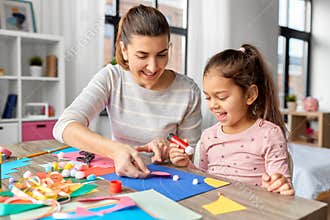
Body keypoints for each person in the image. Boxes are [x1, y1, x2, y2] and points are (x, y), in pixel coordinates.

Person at [53, 5, 202, 178]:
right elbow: (64, 126)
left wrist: (170, 152)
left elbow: (188, 156)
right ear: (124, 50)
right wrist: (115, 150)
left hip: (167, 179)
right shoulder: (112, 77)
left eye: (162, 54)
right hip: (120, 177)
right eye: (142, 56)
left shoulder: (188, 91)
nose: (153, 67)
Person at [169, 44, 294, 195]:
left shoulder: (270, 134)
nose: (213, 105)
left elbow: (282, 186)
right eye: (208, 97)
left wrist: (280, 185)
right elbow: (204, 179)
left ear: (250, 95)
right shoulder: (208, 136)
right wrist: (187, 165)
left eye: (221, 97)